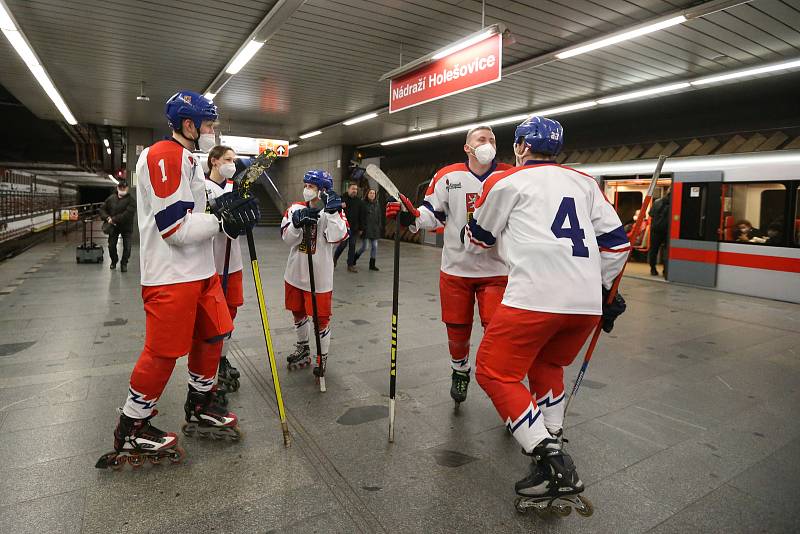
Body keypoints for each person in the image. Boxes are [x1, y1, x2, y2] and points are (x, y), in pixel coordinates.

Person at [463, 116, 628, 505]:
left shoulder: (505, 181)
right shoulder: (586, 183)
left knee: (493, 370)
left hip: (533, 298)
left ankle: (552, 460)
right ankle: (548, 449)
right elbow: (617, 247)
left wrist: (474, 230)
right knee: (546, 366)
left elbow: (478, 239)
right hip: (585, 304)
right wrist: (605, 292)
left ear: (521, 147)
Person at [101, 91, 260, 465]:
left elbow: (197, 207)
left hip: (201, 271)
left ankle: (201, 401)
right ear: (188, 125)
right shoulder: (163, 155)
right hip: (171, 276)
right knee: (163, 353)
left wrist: (224, 204)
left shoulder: (189, 158)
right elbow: (175, 228)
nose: (213, 131)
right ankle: (132, 426)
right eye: (208, 125)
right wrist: (220, 220)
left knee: (213, 332)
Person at [386, 126, 512, 404]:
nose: (488, 143)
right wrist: (413, 218)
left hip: (497, 270)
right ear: (467, 148)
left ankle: (501, 378)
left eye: (492, 139)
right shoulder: (447, 176)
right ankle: (460, 371)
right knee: (457, 328)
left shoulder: (509, 175)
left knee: (497, 328)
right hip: (456, 268)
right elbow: (434, 214)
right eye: (481, 139)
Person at [281, 170, 348, 378]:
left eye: (311, 186)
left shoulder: (332, 213)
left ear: (323, 190)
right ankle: (303, 347)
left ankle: (322, 355)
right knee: (297, 312)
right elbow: (286, 239)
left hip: (319, 278)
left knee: (321, 319)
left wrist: (334, 212)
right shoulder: (295, 209)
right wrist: (296, 224)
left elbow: (339, 236)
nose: (307, 189)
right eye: (306, 185)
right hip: (294, 273)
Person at [205, 145, 245, 399]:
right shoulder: (202, 188)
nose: (232, 163)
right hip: (210, 264)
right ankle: (206, 371)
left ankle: (222, 360)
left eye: (234, 160)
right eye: (228, 159)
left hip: (235, 262)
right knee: (212, 320)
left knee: (229, 315)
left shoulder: (235, 188)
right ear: (214, 161)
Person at [99, 179, 136, 272]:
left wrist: (113, 219)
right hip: (113, 227)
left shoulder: (131, 201)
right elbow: (102, 209)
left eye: (124, 187)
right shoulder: (111, 198)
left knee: (127, 247)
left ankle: (124, 263)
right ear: (117, 188)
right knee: (111, 246)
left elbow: (127, 214)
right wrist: (107, 218)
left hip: (126, 227)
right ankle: (114, 261)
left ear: (127, 188)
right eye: (120, 187)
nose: (122, 189)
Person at [333, 182, 365, 272]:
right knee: (343, 245)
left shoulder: (359, 201)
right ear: (348, 190)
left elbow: (361, 215)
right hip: (343, 227)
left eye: (356, 189)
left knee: (352, 246)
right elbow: (333, 209)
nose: (354, 191)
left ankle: (350, 265)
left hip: (354, 228)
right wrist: (339, 205)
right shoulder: (341, 198)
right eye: (353, 189)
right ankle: (335, 259)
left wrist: (361, 228)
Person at [354, 188, 381, 271]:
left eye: (373, 193)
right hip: (366, 228)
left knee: (375, 246)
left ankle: (372, 265)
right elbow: (360, 216)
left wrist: (379, 226)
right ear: (367, 194)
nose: (372, 194)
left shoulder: (377, 204)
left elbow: (379, 216)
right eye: (370, 193)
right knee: (365, 247)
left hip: (374, 228)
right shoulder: (363, 203)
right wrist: (360, 228)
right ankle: (355, 257)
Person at [649, 189, 670, 277]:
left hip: (655, 230)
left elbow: (650, 214)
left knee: (653, 250)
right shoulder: (673, 203)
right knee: (667, 251)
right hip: (667, 231)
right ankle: (665, 270)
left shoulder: (657, 202)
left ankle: (653, 269)